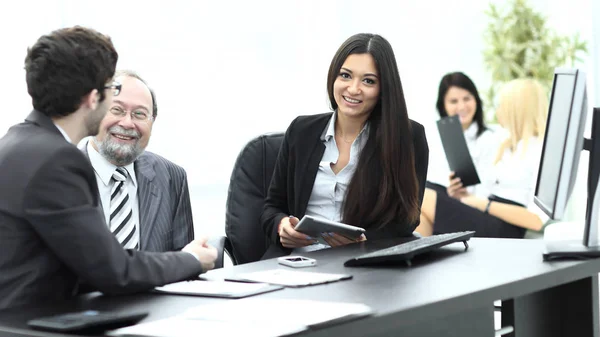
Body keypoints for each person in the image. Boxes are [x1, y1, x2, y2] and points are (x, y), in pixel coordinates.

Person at [0, 26, 216, 310]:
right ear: (93, 97)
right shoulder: (57, 160)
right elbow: (112, 270)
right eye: (111, 92)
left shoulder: (17, 142)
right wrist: (192, 260)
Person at [260, 33, 429, 259]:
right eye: (345, 75)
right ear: (333, 78)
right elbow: (272, 206)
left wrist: (363, 241)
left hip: (363, 266)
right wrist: (281, 227)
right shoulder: (301, 131)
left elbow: (408, 219)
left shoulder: (408, 137)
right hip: (294, 263)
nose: (353, 88)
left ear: (383, 89)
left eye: (368, 81)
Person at [416, 78, 549, 238]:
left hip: (505, 226)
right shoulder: (509, 146)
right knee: (420, 216)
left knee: (419, 196)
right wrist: (465, 197)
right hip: (488, 212)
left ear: (516, 110)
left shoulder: (539, 150)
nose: (498, 111)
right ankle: (409, 261)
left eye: (501, 106)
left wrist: (484, 205)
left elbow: (536, 221)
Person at [80, 70, 193, 252]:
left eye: (140, 114)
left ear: (152, 121)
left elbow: (185, 264)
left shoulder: (172, 177)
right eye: (116, 110)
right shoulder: (59, 173)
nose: (127, 123)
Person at [426, 72, 499, 198]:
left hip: (473, 206)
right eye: (453, 101)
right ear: (443, 106)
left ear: (476, 100)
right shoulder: (433, 137)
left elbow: (489, 192)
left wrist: (464, 195)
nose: (461, 107)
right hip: (436, 198)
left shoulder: (490, 139)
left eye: (467, 99)